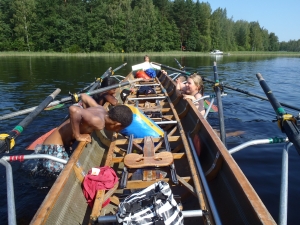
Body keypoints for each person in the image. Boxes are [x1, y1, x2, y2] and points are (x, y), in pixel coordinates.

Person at [38, 94, 133, 172]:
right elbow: (73, 110)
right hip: (53, 147)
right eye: (119, 129)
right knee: (62, 174)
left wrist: (85, 115)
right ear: (117, 124)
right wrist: (78, 135)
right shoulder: (99, 122)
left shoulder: (101, 109)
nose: (117, 131)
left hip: (59, 144)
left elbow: (84, 96)